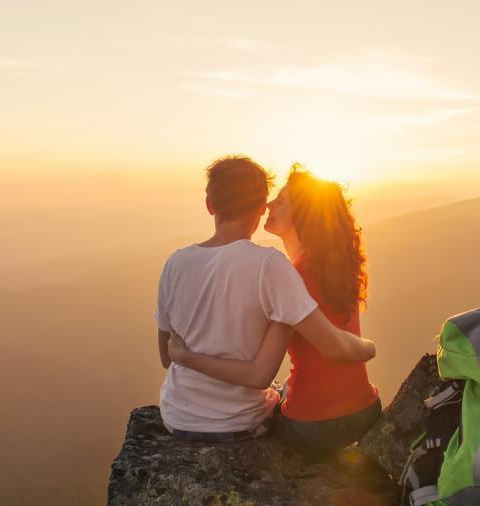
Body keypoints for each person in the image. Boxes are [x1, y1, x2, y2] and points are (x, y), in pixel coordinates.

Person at [155, 156, 375, 442]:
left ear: (210, 205)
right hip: (239, 423)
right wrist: (369, 347)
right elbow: (262, 375)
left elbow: (166, 356)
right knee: (275, 391)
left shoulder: (175, 262)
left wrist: (185, 356)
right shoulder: (273, 266)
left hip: (176, 417)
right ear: (260, 208)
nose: (271, 205)